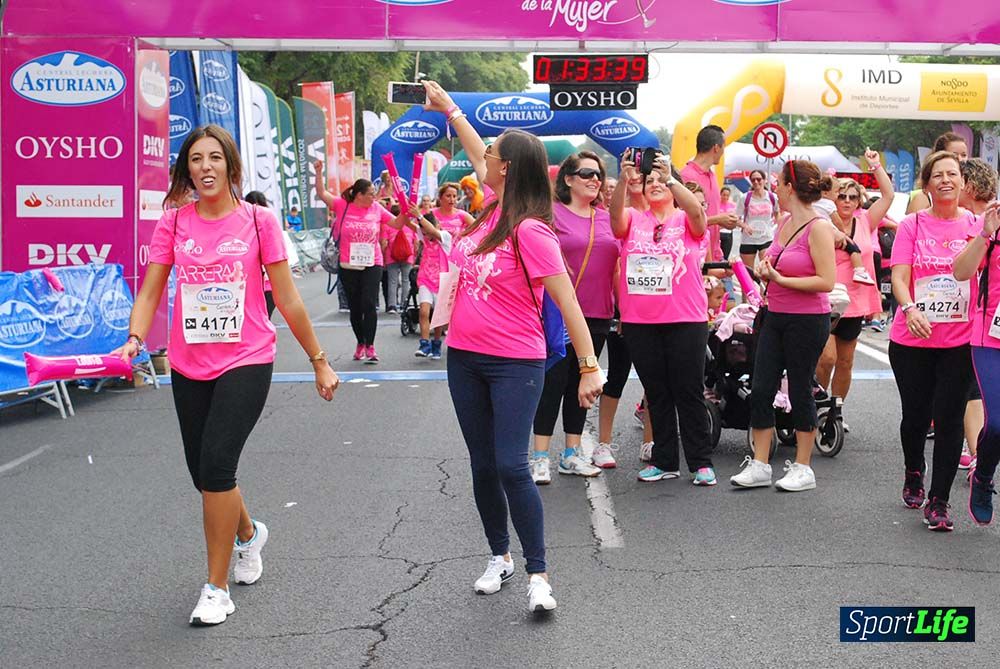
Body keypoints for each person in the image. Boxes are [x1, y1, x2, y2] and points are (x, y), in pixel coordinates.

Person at [117, 125, 339, 626]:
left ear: (231, 166)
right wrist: (135, 337)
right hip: (188, 361)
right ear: (186, 170)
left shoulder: (259, 220)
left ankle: (215, 589)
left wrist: (319, 359)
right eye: (196, 159)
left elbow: (288, 298)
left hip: (247, 357)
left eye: (215, 157)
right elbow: (151, 290)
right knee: (204, 474)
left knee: (218, 464)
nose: (205, 167)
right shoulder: (174, 222)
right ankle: (248, 534)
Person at [423, 80, 603, 613]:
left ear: (507, 169)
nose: (483, 158)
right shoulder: (488, 214)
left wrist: (589, 366)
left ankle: (538, 574)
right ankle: (498, 556)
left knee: (511, 466)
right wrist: (451, 109)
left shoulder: (531, 231)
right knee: (482, 465)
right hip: (465, 359)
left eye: (492, 154)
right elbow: (477, 148)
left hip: (515, 363)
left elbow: (568, 302)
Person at [610, 149, 717, 485]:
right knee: (656, 393)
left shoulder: (685, 220)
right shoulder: (633, 218)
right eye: (649, 180)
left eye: (661, 181)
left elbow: (698, 213)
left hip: (685, 319)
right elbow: (614, 220)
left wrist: (670, 177)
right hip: (641, 322)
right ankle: (665, 460)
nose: (654, 184)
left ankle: (701, 463)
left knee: (689, 391)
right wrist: (624, 181)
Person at [730, 160, 836, 492]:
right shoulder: (784, 222)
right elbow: (776, 262)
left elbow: (827, 281)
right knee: (761, 387)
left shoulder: (819, 227)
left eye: (779, 182)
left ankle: (803, 468)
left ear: (791, 187)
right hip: (774, 314)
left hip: (808, 320)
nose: (774, 185)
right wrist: (766, 271)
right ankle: (760, 464)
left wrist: (780, 278)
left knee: (800, 389)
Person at [889, 150, 979, 532]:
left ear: (963, 182)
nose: (945, 180)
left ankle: (939, 501)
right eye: (938, 175)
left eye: (952, 174)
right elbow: (898, 277)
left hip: (959, 341)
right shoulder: (912, 225)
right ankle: (914, 470)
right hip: (912, 338)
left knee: (949, 420)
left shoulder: (976, 225)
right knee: (915, 417)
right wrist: (910, 309)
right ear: (927, 184)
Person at [531, 151, 620, 484]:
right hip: (558, 315)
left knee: (583, 388)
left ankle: (571, 453)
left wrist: (623, 309)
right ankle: (540, 457)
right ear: (568, 179)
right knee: (552, 385)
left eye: (598, 175)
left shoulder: (607, 218)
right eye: (586, 173)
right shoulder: (550, 215)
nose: (595, 179)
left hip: (597, 313)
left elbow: (617, 266)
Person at [815, 150, 894, 412]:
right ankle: (815, 406)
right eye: (842, 196)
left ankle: (834, 412)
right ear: (832, 198)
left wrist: (875, 166)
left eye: (852, 197)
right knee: (827, 358)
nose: (847, 201)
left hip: (855, 302)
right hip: (824, 300)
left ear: (859, 200)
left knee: (845, 361)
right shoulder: (820, 221)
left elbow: (888, 196)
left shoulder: (865, 221)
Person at [314, 159, 407, 363]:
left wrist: (406, 212)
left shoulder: (377, 209)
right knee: (355, 306)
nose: (375, 197)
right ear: (359, 195)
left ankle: (371, 346)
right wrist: (319, 172)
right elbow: (322, 193)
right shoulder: (342, 205)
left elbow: (397, 224)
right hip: (348, 263)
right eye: (371, 194)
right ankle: (360, 342)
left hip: (373, 261)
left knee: (368, 303)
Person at [954, 201, 1000, 526]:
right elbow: (961, 271)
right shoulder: (992, 220)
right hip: (991, 336)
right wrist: (986, 233)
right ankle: (983, 475)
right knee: (997, 423)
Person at [955, 159, 998, 472]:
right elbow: (961, 271)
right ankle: (979, 464)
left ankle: (978, 459)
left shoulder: (980, 216)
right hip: (977, 326)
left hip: (977, 322)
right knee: (972, 394)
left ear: (968, 185)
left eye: (956, 178)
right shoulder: (980, 221)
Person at [680, 124, 743, 263]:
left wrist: (725, 221)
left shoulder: (712, 175)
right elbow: (681, 221)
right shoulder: (686, 176)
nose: (723, 152)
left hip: (714, 253)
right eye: (723, 147)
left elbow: (711, 214)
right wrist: (718, 219)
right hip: (696, 257)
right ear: (716, 148)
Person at [907, 132, 969, 214]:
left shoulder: (970, 194)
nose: (960, 159)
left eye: (964, 155)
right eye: (954, 154)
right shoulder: (923, 198)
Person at [243, 191, 277, 319]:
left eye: (259, 206)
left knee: (264, 320)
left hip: (269, 287)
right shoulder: (241, 230)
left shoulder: (270, 225)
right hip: (248, 290)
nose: (256, 211)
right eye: (252, 206)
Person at [737, 169, 779, 269]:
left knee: (766, 269)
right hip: (748, 239)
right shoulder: (745, 198)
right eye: (753, 180)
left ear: (764, 180)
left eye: (759, 179)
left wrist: (777, 229)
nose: (756, 182)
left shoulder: (772, 197)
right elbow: (736, 218)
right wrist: (745, 226)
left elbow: (777, 213)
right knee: (749, 272)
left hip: (766, 238)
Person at [383, 218, 417, 313]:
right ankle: (404, 304)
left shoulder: (388, 225)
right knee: (406, 281)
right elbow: (416, 243)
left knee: (392, 281)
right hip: (408, 256)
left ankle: (392, 306)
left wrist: (384, 256)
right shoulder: (411, 225)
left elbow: (384, 243)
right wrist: (414, 256)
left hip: (391, 257)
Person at [719, 185, 736, 259]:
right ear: (720, 194)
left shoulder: (733, 206)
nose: (725, 197)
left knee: (725, 257)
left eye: (727, 195)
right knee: (717, 255)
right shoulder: (717, 205)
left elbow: (736, 219)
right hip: (718, 233)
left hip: (728, 233)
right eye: (724, 195)